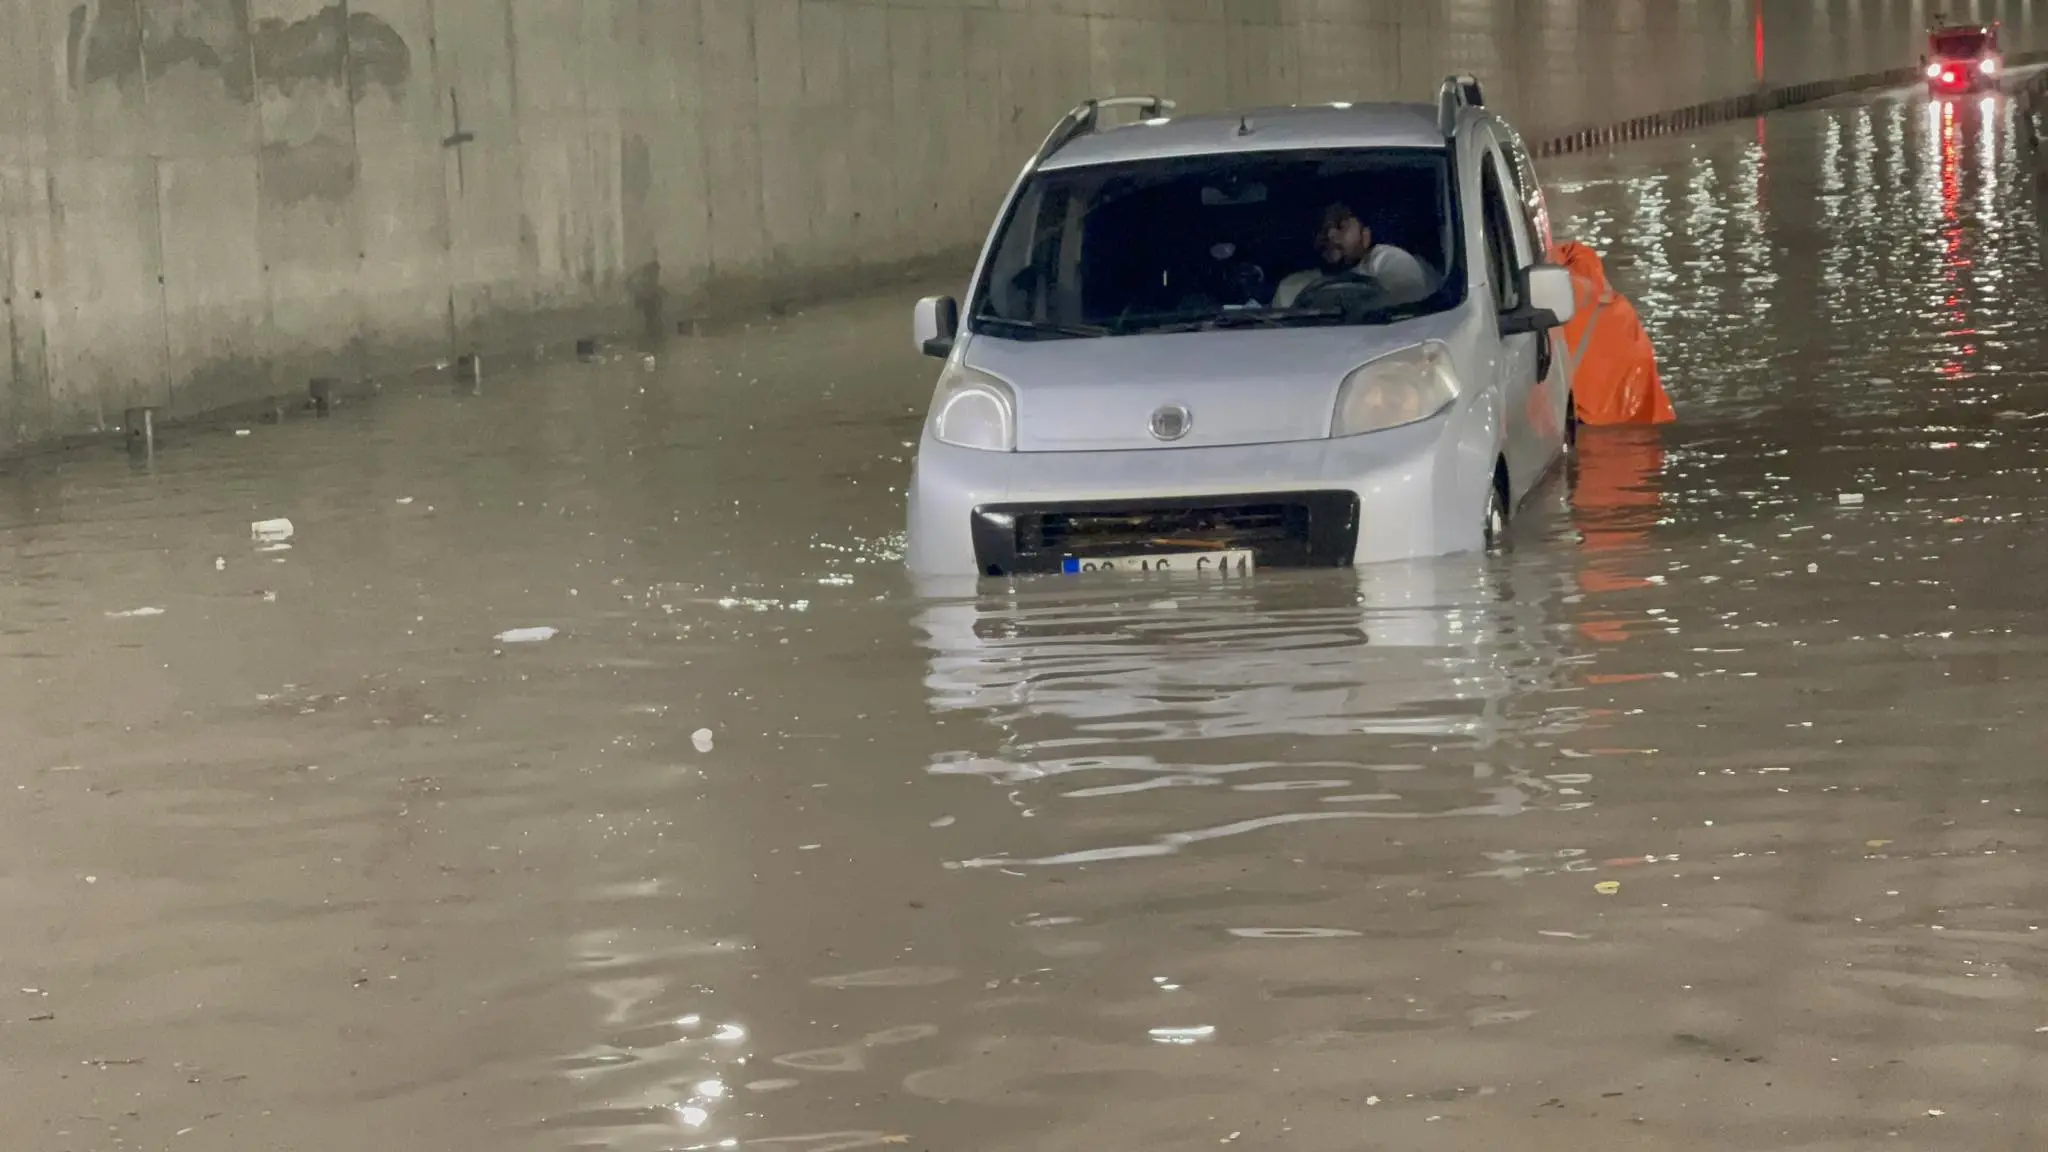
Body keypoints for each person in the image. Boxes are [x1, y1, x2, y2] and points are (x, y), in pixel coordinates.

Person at [1271, 201, 1434, 309]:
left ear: (1366, 235)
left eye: (1341, 226)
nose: (1330, 236)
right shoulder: (1290, 288)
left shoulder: (1388, 261)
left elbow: (1407, 316)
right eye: (1322, 229)